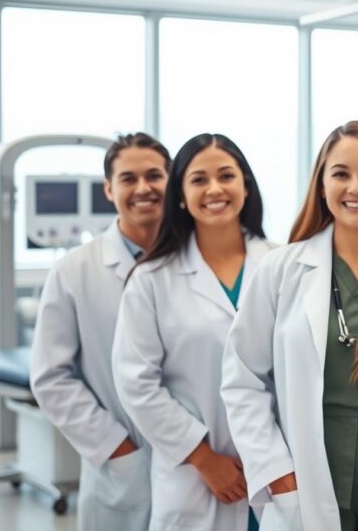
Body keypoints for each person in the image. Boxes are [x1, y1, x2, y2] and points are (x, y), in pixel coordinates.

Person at [221, 121, 358, 531]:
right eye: (341, 174)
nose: (356, 187)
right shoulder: (281, 269)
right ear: (322, 186)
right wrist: (278, 474)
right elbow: (242, 379)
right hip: (306, 468)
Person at [112, 133, 275, 531]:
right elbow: (136, 383)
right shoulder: (151, 280)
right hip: (196, 476)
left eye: (226, 176)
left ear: (245, 185)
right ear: (181, 195)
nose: (214, 189)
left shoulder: (281, 264)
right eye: (199, 179)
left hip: (277, 468)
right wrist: (204, 459)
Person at [30, 133, 170, 531]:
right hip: (124, 460)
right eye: (128, 179)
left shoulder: (195, 261)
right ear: (109, 190)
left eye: (154, 176)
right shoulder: (75, 270)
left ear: (171, 181)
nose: (143, 188)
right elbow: (51, 377)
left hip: (196, 464)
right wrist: (118, 448)